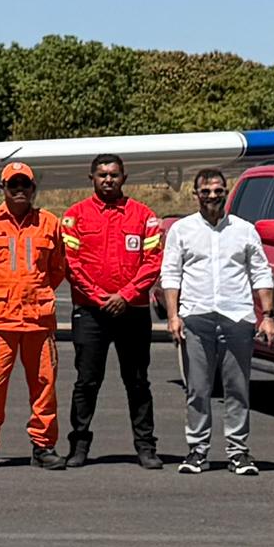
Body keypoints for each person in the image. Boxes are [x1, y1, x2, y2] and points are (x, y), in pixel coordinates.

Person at [0, 162, 74, 469]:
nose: (19, 190)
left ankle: (44, 446)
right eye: (13, 185)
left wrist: (35, 294)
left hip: (38, 319)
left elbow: (57, 269)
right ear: (3, 189)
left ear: (34, 189)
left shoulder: (49, 223)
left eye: (25, 185)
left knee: (45, 384)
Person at [158, 166, 273, 476]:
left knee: (237, 388)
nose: (212, 196)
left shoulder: (244, 230)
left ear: (226, 192)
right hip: (195, 318)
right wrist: (172, 316)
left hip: (237, 318)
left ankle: (238, 451)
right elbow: (170, 274)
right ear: (196, 194)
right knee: (198, 388)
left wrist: (268, 316)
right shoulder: (182, 230)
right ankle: (197, 450)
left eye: (218, 191)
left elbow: (261, 272)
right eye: (206, 191)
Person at [61, 152, 168, 468]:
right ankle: (78, 446)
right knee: (87, 381)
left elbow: (153, 263)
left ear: (124, 178)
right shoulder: (75, 216)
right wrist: (98, 296)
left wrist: (126, 294)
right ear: (91, 178)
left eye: (114, 174)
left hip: (132, 311)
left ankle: (146, 447)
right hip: (90, 311)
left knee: (137, 381)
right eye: (102, 174)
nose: (108, 179)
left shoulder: (144, 216)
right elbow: (71, 264)